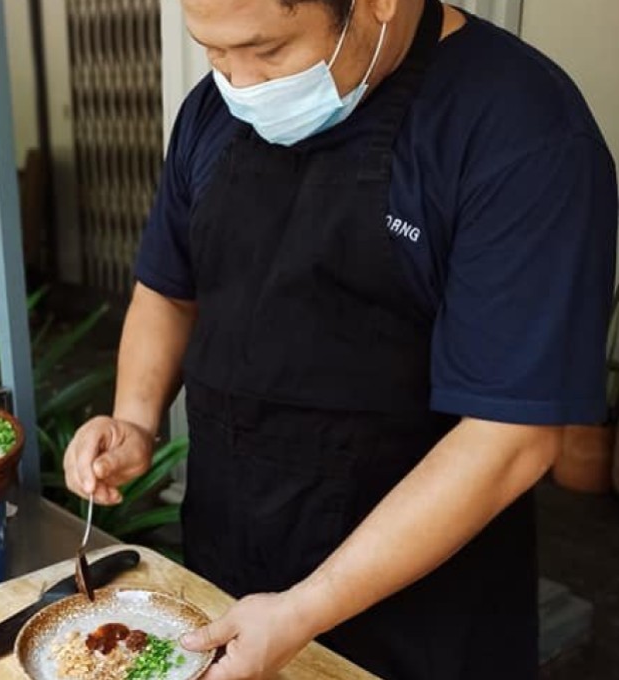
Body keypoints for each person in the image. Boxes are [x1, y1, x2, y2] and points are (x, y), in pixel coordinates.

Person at [62, 0, 618, 678]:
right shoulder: (216, 108)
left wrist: (302, 610)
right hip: (228, 567)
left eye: (269, 53)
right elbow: (169, 288)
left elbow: (510, 438)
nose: (241, 84)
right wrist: (134, 419)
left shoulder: (522, 131)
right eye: (214, 53)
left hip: (422, 617)